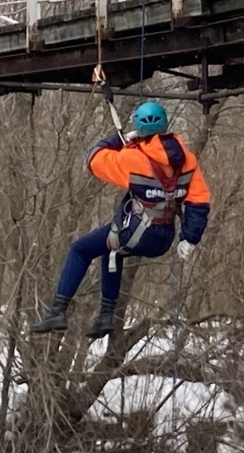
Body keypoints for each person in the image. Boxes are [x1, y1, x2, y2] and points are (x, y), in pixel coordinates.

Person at [32, 100, 210, 340]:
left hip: (137, 231)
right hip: (164, 238)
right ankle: (106, 316)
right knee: (112, 251)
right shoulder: (187, 159)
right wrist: (189, 238)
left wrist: (119, 139)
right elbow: (199, 201)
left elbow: (93, 159)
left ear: (140, 127)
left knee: (80, 250)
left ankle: (58, 310)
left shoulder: (133, 159)